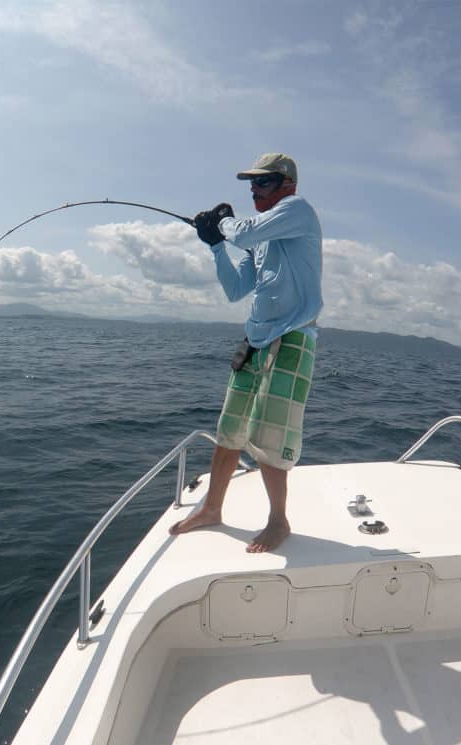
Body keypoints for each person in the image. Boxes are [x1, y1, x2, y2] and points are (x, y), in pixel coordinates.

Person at [169, 152, 323, 552]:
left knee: (270, 436)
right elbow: (237, 289)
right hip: (254, 340)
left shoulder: (297, 210)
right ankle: (212, 509)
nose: (254, 189)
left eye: (263, 182)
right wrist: (216, 246)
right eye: (251, 184)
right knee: (230, 428)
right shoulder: (260, 238)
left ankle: (279, 521)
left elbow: (247, 231)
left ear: (286, 184)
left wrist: (222, 222)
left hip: (291, 337)